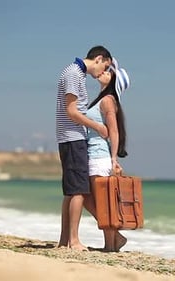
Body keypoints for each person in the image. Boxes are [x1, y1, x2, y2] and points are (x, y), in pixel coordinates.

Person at [56, 45, 112, 251]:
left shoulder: (75, 73)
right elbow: (72, 111)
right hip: (73, 137)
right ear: (98, 59)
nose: (103, 73)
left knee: (71, 192)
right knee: (78, 191)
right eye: (104, 66)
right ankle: (74, 240)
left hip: (70, 137)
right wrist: (97, 126)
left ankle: (64, 241)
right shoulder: (73, 73)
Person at [84, 58, 131, 252]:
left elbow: (114, 131)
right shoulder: (101, 99)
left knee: (99, 202)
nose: (103, 72)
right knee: (90, 199)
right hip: (93, 155)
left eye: (109, 72)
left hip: (100, 157)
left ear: (113, 81)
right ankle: (114, 240)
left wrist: (113, 159)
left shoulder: (108, 101)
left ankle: (111, 244)